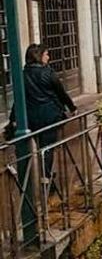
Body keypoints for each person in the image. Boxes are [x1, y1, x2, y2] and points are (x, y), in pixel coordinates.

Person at [5, 45, 77, 180]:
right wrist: (72, 108)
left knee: (35, 147)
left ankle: (27, 178)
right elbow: (61, 93)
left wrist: (13, 118)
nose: (48, 58)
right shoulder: (48, 73)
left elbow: (19, 99)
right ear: (38, 56)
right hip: (49, 116)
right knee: (47, 147)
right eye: (46, 55)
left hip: (30, 118)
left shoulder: (22, 75)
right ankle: (45, 177)